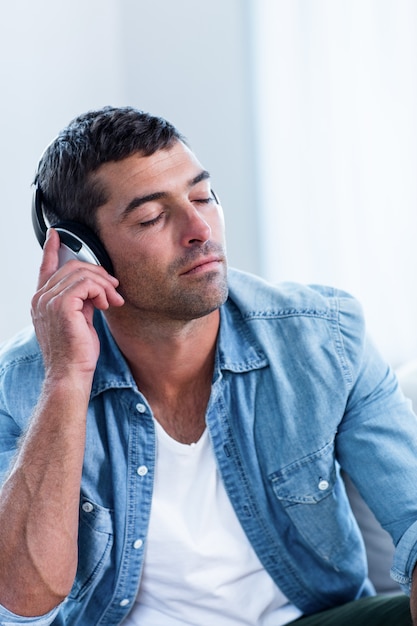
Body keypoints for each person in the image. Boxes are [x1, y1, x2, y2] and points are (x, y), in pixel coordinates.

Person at [0, 105, 416, 626]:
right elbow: (22, 596)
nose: (199, 228)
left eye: (202, 196)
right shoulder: (23, 382)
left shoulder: (325, 337)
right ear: (84, 256)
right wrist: (66, 377)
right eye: (152, 216)